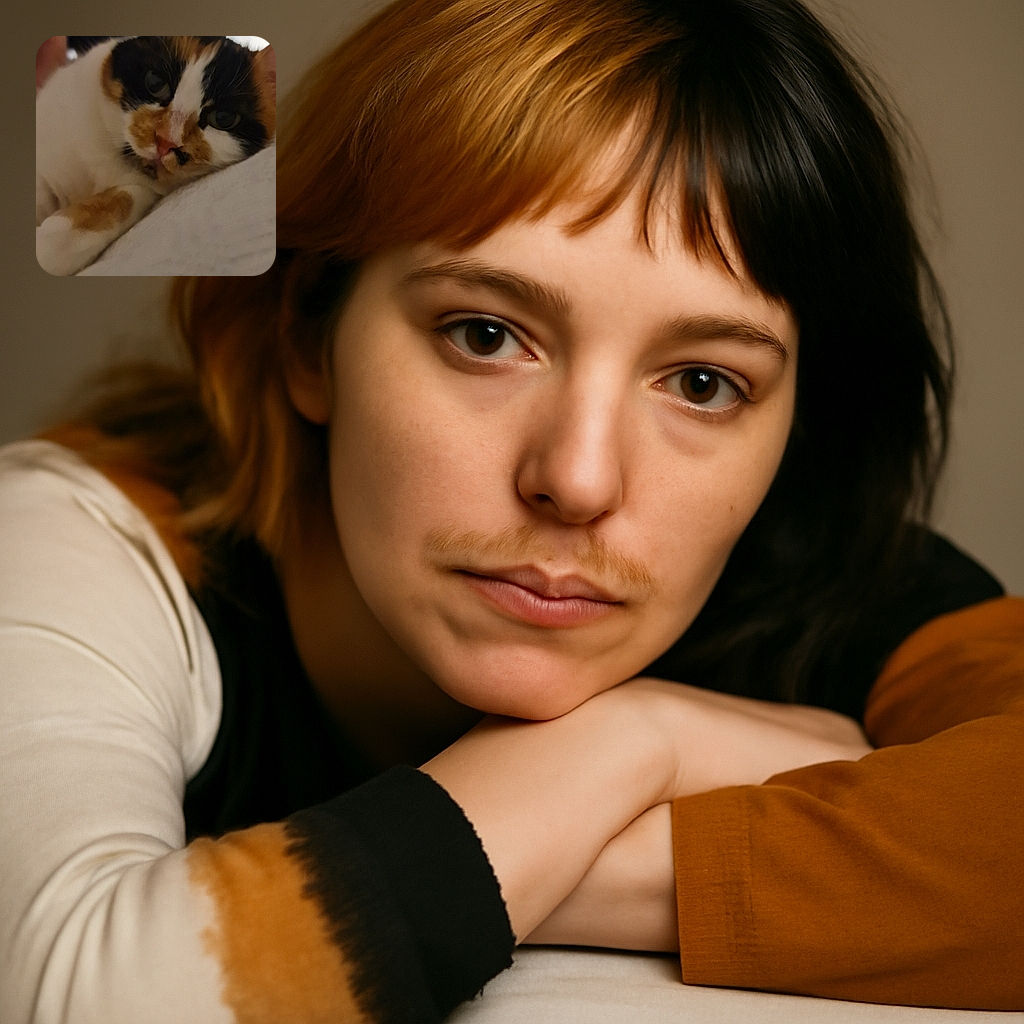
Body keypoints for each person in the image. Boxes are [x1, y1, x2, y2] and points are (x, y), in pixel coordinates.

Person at [3, 0, 1021, 1020]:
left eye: (704, 383)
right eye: (485, 334)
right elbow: (84, 996)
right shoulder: (70, 541)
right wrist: (637, 747)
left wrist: (560, 829)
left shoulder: (829, 576)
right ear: (310, 334)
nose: (577, 479)